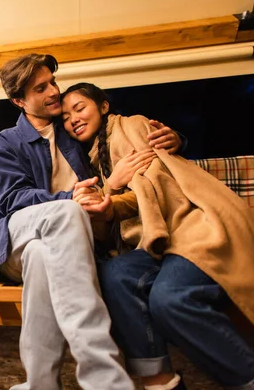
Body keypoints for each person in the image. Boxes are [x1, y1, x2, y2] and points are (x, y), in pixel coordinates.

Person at [0, 53, 183, 390]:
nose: (54, 91)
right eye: (41, 88)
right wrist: (67, 198)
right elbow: (11, 200)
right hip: (15, 240)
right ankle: (104, 378)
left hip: (58, 246)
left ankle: (40, 384)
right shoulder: (6, 142)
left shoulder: (73, 132)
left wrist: (173, 139)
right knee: (67, 214)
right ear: (19, 101)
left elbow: (119, 135)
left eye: (52, 82)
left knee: (42, 256)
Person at [60, 82, 254, 390]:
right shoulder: (94, 159)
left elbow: (155, 183)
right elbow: (116, 218)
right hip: (156, 242)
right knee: (116, 274)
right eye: (66, 116)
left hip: (191, 228)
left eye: (80, 108)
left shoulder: (131, 126)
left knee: (169, 300)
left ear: (104, 106)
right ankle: (160, 381)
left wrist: (111, 191)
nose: (72, 119)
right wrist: (109, 191)